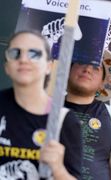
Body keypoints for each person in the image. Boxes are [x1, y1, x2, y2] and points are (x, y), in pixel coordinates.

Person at [0, 30, 81, 179]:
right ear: (7, 66)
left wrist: (58, 169)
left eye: (34, 54)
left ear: (49, 66)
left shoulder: (64, 120)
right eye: (15, 53)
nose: (23, 59)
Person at [65, 50, 111, 179]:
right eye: (82, 62)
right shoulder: (45, 110)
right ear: (69, 68)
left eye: (96, 67)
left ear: (103, 82)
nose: (87, 69)